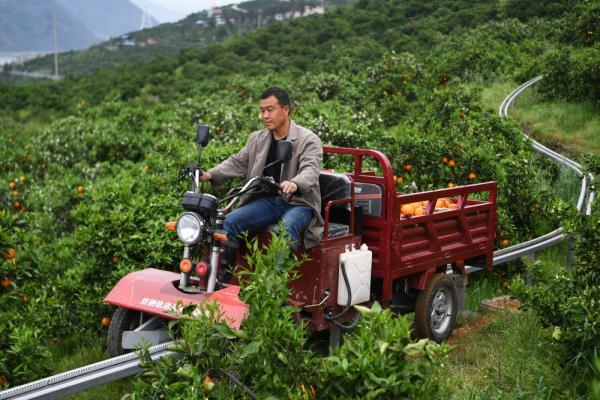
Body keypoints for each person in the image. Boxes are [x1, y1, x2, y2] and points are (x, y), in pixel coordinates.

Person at [201, 87, 323, 255]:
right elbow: (238, 161)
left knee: (286, 229)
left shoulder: (308, 139)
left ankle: (277, 279)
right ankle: (224, 278)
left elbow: (310, 169)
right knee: (229, 222)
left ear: (286, 109)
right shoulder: (257, 139)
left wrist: (295, 183)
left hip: (298, 203)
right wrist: (209, 174)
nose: (265, 116)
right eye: (262, 111)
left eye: (270, 110)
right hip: (266, 202)